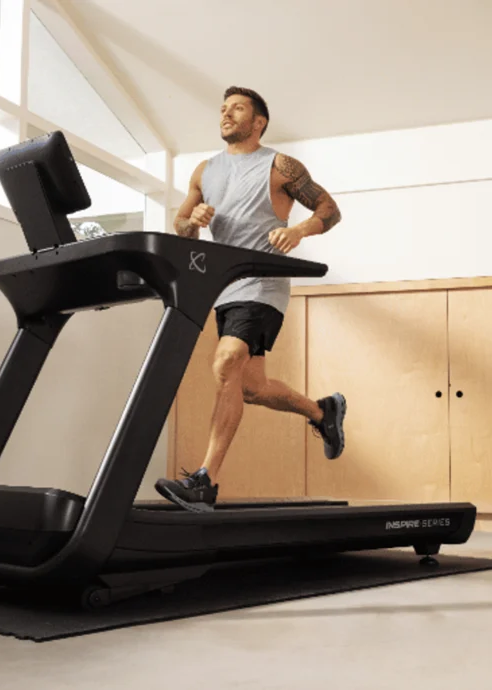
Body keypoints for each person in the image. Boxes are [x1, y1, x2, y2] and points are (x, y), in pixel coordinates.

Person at [155, 86, 347, 512]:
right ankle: (322, 411)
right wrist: (194, 220)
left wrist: (297, 231)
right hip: (223, 287)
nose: (226, 114)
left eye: (236, 108)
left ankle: (206, 480)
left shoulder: (280, 166)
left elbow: (330, 210)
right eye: (223, 109)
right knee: (251, 388)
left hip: (262, 283)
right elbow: (181, 225)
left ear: (258, 121)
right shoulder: (204, 171)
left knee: (225, 362)